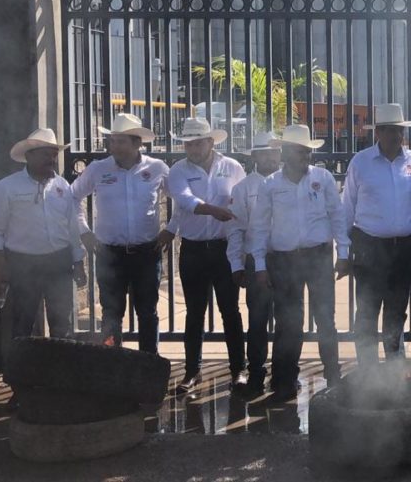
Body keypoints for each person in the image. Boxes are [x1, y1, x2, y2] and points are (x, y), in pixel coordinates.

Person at [251, 125, 349, 401]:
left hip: (318, 257)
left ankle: (333, 378)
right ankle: (285, 380)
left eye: (307, 151)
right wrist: (259, 264)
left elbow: (337, 215)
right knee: (288, 323)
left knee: (325, 319)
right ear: (285, 153)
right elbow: (259, 227)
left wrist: (343, 253)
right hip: (284, 261)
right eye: (299, 151)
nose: (305, 156)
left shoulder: (323, 178)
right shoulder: (270, 185)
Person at [71, 113, 171, 353]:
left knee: (147, 311)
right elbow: (72, 198)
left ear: (137, 143)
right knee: (111, 313)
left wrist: (172, 228)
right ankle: (113, 363)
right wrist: (83, 231)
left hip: (146, 253)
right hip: (110, 254)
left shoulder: (157, 168)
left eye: (121, 141)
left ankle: (148, 362)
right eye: (112, 141)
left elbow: (181, 197)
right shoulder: (97, 169)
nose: (114, 146)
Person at [166, 118, 247, 393]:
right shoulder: (178, 170)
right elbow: (185, 200)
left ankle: (238, 370)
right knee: (195, 312)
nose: (192, 148)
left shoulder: (232, 167)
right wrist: (214, 210)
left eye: (197, 143)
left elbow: (242, 203)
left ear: (211, 142)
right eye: (188, 144)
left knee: (230, 311)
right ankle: (192, 372)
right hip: (194, 249)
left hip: (225, 249)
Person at [342, 104, 411, 366]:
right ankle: (367, 368)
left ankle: (394, 367)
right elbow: (347, 209)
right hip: (369, 246)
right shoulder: (361, 162)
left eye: (398, 130)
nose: (395, 135)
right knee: (367, 310)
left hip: (404, 248)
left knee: (397, 309)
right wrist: (343, 252)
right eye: (388, 130)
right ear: (377, 132)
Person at [0, 128, 86, 339]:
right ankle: (22, 362)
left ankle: (59, 361)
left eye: (54, 154)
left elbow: (72, 228)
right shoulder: (6, 187)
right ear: (29, 156)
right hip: (23, 265)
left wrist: (78, 262)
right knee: (22, 324)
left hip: (59, 262)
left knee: (62, 324)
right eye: (45, 154)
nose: (51, 159)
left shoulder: (62, 186)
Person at [226, 131, 280, 394]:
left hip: (285, 259)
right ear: (255, 157)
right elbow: (235, 229)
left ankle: (283, 373)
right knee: (257, 320)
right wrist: (236, 265)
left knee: (286, 319)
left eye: (274, 152)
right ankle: (256, 372)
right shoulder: (243, 188)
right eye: (265, 153)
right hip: (254, 260)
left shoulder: (291, 183)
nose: (271, 158)